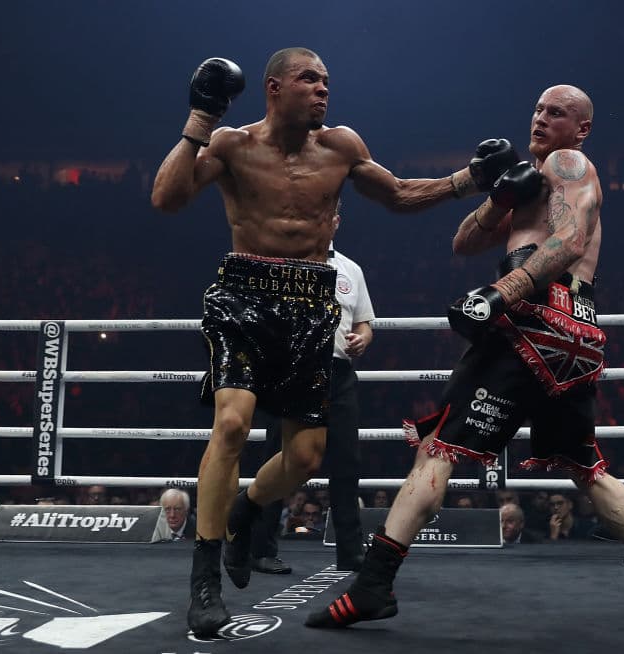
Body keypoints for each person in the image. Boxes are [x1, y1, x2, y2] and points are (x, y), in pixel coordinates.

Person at [307, 84, 624, 630]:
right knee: (587, 467)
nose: (541, 119)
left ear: (581, 128)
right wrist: (501, 199)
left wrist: (502, 292)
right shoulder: (532, 179)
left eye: (556, 113)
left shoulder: (569, 163)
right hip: (575, 336)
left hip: (532, 320)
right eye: (537, 109)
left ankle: (372, 586)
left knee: (437, 448)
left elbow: (572, 240)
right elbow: (463, 243)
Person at [152, 47, 487, 636]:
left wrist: (470, 180)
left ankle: (246, 508)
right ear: (274, 88)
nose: (323, 90)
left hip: (312, 303)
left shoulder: (341, 146)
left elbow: (400, 194)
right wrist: (199, 120)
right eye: (310, 80)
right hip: (245, 294)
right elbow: (167, 198)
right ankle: (203, 580)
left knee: (306, 456)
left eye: (327, 81)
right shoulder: (232, 144)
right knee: (232, 425)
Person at [250, 202, 375, 573]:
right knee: (281, 459)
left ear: (336, 221)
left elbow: (365, 322)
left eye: (329, 216)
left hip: (339, 371)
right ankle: (259, 549)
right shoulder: (282, 263)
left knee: (347, 462)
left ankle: (350, 552)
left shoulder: (351, 269)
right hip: (293, 369)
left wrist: (364, 339)